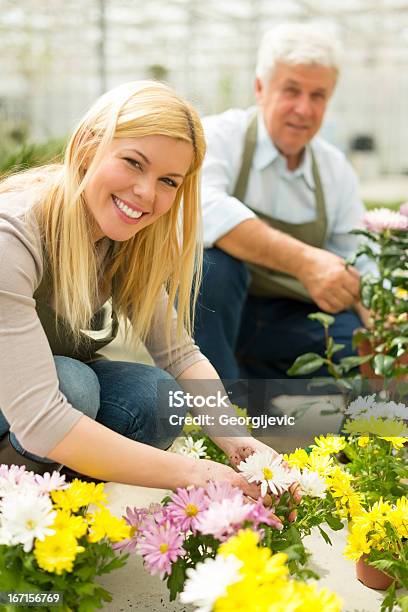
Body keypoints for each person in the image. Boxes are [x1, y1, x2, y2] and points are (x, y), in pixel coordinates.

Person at [0, 80, 274, 496]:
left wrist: (241, 444)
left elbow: (179, 355)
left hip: (35, 404)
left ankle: (65, 515)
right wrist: (198, 474)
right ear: (90, 146)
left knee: (156, 397)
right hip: (29, 408)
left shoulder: (126, 242)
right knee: (73, 385)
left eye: (168, 181)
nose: (146, 192)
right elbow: (43, 421)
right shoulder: (14, 234)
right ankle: (19, 518)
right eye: (132, 162)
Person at [195, 23, 370, 384]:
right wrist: (305, 262)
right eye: (291, 90)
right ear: (260, 88)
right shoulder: (218, 136)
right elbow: (206, 208)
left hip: (289, 319)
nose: (303, 109)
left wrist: (379, 315)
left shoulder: (335, 170)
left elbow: (359, 257)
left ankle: (263, 391)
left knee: (355, 345)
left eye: (318, 95)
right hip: (215, 316)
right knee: (211, 265)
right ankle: (218, 412)